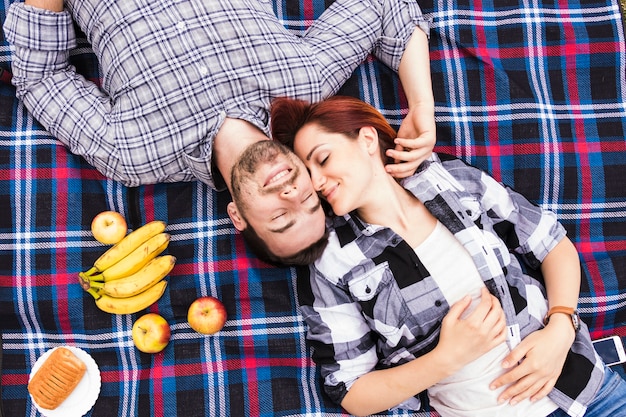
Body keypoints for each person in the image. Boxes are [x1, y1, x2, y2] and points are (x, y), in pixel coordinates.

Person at [266, 95, 626, 417]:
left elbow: (553, 244)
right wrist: (445, 358)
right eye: (307, 172)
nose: (315, 182)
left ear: (367, 139)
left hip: (589, 393)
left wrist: (562, 327)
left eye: (323, 159)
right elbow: (350, 392)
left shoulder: (452, 180)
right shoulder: (332, 260)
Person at [4, 0, 435, 261]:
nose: (291, 195)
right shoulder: (305, 86)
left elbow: (39, 77)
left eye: (281, 218)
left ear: (237, 216)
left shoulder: (133, 153)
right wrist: (421, 107)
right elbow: (385, 7)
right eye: (308, 198)